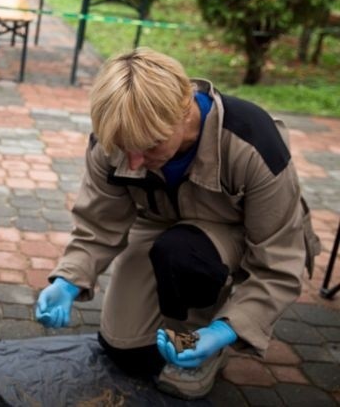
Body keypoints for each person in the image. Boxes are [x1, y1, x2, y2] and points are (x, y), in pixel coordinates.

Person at [34, 48, 320, 400]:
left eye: (150, 146)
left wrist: (227, 329)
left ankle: (207, 337)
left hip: (236, 237)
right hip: (162, 227)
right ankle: (175, 311)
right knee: (124, 349)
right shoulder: (112, 139)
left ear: (185, 111)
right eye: (126, 148)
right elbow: (98, 224)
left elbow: (279, 262)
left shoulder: (253, 142)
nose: (135, 162)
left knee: (184, 253)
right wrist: (68, 279)